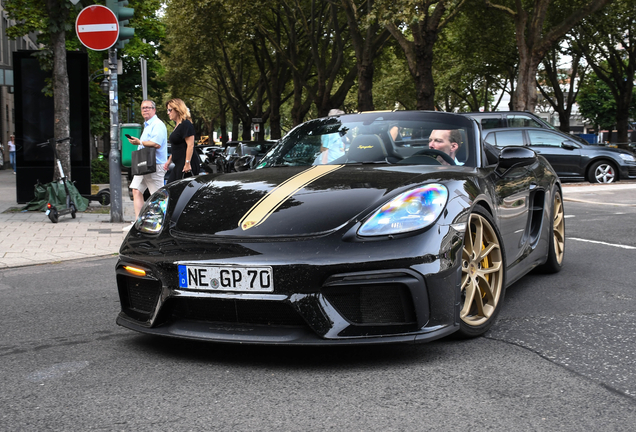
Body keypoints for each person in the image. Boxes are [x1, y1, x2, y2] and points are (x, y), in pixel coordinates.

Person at [125, 100, 168, 230]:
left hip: (154, 165)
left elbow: (156, 143)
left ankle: (163, 224)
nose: (145, 110)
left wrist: (140, 142)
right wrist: (138, 142)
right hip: (144, 165)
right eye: (143, 108)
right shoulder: (148, 125)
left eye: (148, 108)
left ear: (154, 110)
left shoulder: (157, 124)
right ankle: (138, 223)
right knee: (136, 190)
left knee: (158, 195)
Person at [164, 98, 199, 183]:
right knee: (171, 188)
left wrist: (187, 163)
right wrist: (169, 161)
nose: (168, 113)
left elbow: (190, 145)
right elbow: (177, 146)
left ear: (177, 109)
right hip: (178, 164)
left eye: (170, 110)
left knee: (180, 191)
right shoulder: (177, 126)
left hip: (186, 165)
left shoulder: (186, 124)